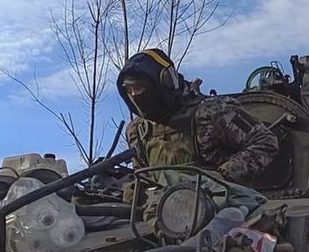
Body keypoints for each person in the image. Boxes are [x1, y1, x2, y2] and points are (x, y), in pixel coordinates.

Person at [118, 48, 279, 184]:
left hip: (223, 209)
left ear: (165, 81)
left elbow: (264, 142)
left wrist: (220, 178)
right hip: (163, 212)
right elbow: (143, 175)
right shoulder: (138, 130)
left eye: (140, 87)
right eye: (128, 90)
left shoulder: (212, 112)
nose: (134, 95)